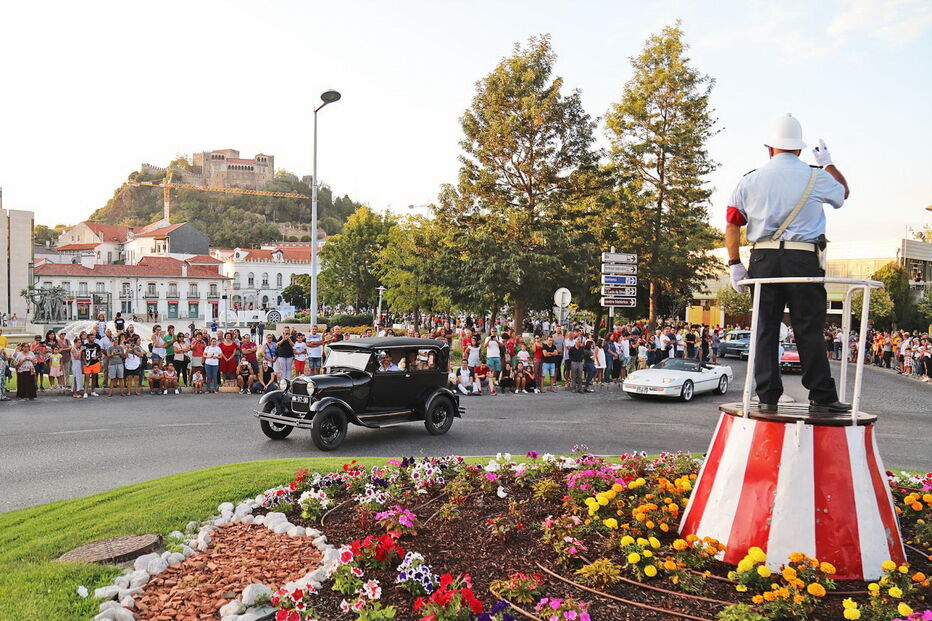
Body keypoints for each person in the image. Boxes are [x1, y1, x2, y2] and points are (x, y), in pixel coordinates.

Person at [726, 113, 850, 413]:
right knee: (809, 327)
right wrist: (827, 162)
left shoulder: (749, 180)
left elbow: (732, 223)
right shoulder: (816, 175)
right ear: (799, 149)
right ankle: (822, 394)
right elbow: (843, 193)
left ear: (769, 148)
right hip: (802, 258)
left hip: (763, 258)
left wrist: (734, 263)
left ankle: (767, 395)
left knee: (765, 329)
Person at [81, 333, 102, 398]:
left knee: (94, 378)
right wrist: (85, 362)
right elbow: (83, 355)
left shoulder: (97, 345)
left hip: (95, 363)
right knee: (86, 378)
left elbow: (100, 354)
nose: (92, 339)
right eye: (91, 338)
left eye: (93, 338)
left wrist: (97, 356)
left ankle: (93, 391)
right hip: (87, 364)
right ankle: (85, 392)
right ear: (88, 338)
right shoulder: (84, 345)